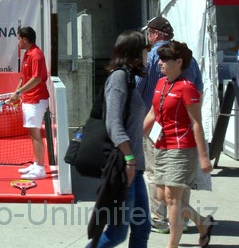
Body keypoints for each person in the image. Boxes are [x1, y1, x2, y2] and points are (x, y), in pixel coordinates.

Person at [143, 41, 215, 248]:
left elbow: (196, 124)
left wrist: (203, 157)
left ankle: (171, 246)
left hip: (181, 148)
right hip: (161, 146)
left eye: (165, 59)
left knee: (172, 199)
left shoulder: (188, 88)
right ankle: (203, 222)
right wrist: (134, 137)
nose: (160, 63)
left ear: (179, 62)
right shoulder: (161, 84)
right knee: (161, 196)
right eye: (160, 58)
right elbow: (152, 113)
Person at [136, 16, 203, 234]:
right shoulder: (186, 56)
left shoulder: (153, 56)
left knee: (156, 172)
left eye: (149, 32)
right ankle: (181, 219)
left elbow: (138, 88)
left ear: (155, 33)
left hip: (156, 124)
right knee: (180, 175)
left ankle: (158, 219)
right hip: (182, 126)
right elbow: (199, 89)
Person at [87, 31, 150, 248]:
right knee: (116, 233)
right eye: (145, 49)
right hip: (125, 167)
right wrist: (130, 159)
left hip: (135, 168)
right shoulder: (119, 78)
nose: (147, 54)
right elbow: (113, 124)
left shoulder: (130, 78)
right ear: (134, 52)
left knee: (142, 228)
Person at [7, 26, 50, 180]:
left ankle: (40, 168)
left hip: (37, 100)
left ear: (25, 39)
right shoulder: (27, 55)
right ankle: (36, 163)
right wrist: (16, 93)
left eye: (19, 39)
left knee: (36, 134)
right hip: (28, 99)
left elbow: (37, 79)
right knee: (32, 134)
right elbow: (24, 78)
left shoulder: (37, 55)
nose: (18, 42)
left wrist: (19, 92)